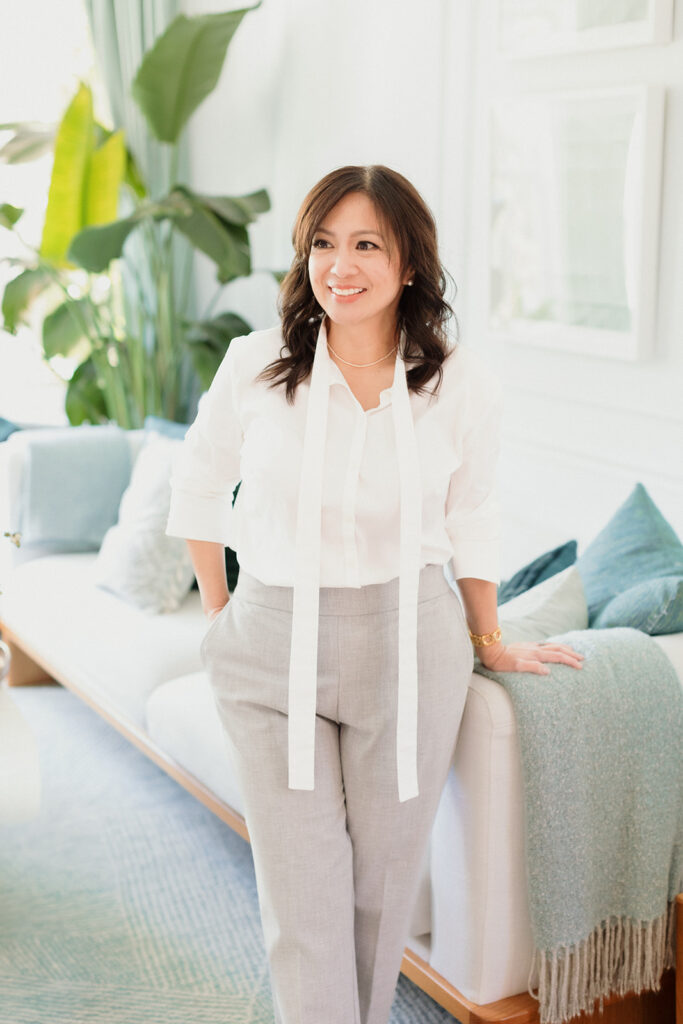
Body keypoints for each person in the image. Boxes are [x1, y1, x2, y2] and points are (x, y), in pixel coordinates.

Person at [165, 164, 584, 1024]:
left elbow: (473, 514)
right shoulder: (254, 365)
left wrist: (488, 637)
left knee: (379, 891)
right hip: (271, 643)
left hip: (409, 640)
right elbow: (197, 486)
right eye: (322, 243)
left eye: (365, 244)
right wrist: (219, 616)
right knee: (303, 897)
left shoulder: (458, 381)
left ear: (409, 265)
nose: (338, 265)